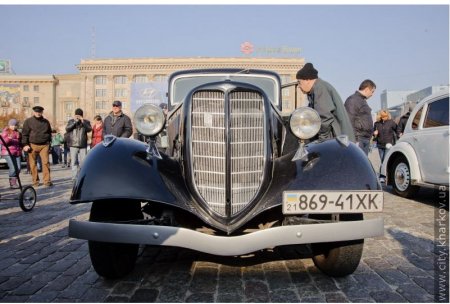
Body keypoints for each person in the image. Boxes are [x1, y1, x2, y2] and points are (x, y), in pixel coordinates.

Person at [296, 63, 355, 142]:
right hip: (337, 137)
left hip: (335, 138)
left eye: (299, 82)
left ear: (308, 80)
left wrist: (321, 141)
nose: (299, 86)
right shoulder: (317, 89)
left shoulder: (319, 89)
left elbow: (324, 117)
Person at [22, 106, 53, 187]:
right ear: (34, 112)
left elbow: (49, 133)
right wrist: (25, 144)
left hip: (44, 145)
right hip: (32, 145)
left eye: (40, 112)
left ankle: (47, 181)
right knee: (32, 164)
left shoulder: (46, 122)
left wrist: (49, 142)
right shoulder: (28, 121)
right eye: (36, 112)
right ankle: (35, 182)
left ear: (42, 112)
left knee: (46, 163)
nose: (38, 113)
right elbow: (24, 134)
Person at [344, 79, 377, 155]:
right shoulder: (353, 100)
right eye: (372, 92)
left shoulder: (362, 101)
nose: (372, 94)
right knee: (357, 164)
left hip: (365, 139)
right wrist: (354, 140)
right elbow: (349, 120)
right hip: (359, 139)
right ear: (367, 89)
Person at [66, 108, 92, 179]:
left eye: (79, 115)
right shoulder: (71, 121)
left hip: (83, 144)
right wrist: (74, 122)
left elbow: (89, 129)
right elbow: (67, 129)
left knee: (84, 162)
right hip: (73, 144)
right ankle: (74, 176)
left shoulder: (86, 122)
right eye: (76, 115)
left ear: (82, 115)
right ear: (74, 115)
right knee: (74, 162)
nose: (78, 116)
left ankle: (82, 176)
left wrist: (83, 121)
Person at [373, 110, 398, 182]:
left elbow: (397, 130)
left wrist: (399, 135)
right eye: (383, 116)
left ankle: (383, 176)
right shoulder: (376, 124)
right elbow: (373, 134)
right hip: (380, 145)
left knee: (385, 160)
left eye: (386, 116)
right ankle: (384, 175)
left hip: (389, 144)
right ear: (380, 116)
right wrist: (374, 133)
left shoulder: (391, 122)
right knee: (382, 161)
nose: (384, 118)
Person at [1, 119, 22, 188]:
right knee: (13, 167)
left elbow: (19, 143)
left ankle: (14, 181)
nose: (13, 126)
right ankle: (13, 183)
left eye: (15, 125)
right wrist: (9, 139)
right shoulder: (5, 131)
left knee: (18, 168)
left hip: (17, 152)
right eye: (12, 125)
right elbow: (2, 142)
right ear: (9, 125)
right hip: (8, 152)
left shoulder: (17, 132)